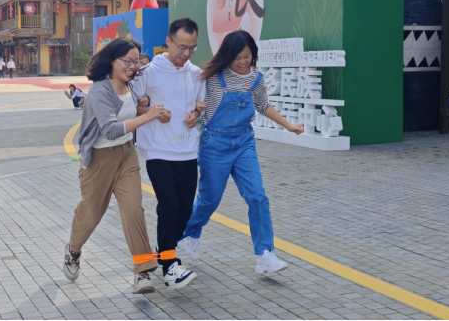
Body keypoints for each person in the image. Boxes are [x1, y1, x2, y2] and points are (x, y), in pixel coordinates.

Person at [183, 30, 305, 274]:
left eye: (247, 56)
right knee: (209, 200)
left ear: (253, 54)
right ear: (227, 56)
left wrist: (288, 125)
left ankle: (264, 255)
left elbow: (263, 105)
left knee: (257, 196)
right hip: (214, 144)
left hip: (244, 143)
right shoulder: (211, 77)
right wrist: (193, 112)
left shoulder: (256, 78)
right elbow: (190, 99)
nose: (242, 62)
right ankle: (192, 231)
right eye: (236, 57)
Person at [64, 37, 167, 295]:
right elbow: (110, 130)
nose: (132, 67)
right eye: (127, 61)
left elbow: (129, 113)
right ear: (112, 60)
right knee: (91, 213)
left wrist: (153, 112)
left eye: (136, 62)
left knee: (133, 210)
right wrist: (149, 116)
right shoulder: (101, 90)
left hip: (126, 155)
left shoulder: (129, 85)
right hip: (99, 160)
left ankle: (143, 271)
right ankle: (73, 250)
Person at [133, 18, 205, 290]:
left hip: (187, 150)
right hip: (158, 151)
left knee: (185, 211)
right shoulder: (147, 72)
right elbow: (133, 107)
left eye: (192, 48)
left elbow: (199, 107)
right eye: (182, 46)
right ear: (168, 41)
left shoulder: (196, 74)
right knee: (169, 206)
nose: (186, 53)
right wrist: (152, 112)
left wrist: (195, 115)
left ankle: (164, 250)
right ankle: (169, 266)